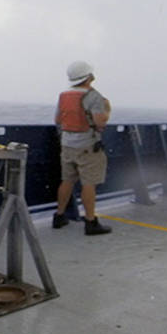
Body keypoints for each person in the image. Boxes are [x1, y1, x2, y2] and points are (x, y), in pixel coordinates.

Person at [53, 60, 112, 235]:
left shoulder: (64, 95)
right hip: (87, 145)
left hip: (67, 143)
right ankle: (91, 222)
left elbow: (57, 120)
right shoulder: (94, 96)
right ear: (88, 77)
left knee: (67, 180)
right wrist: (107, 109)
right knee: (89, 183)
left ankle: (59, 215)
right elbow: (100, 122)